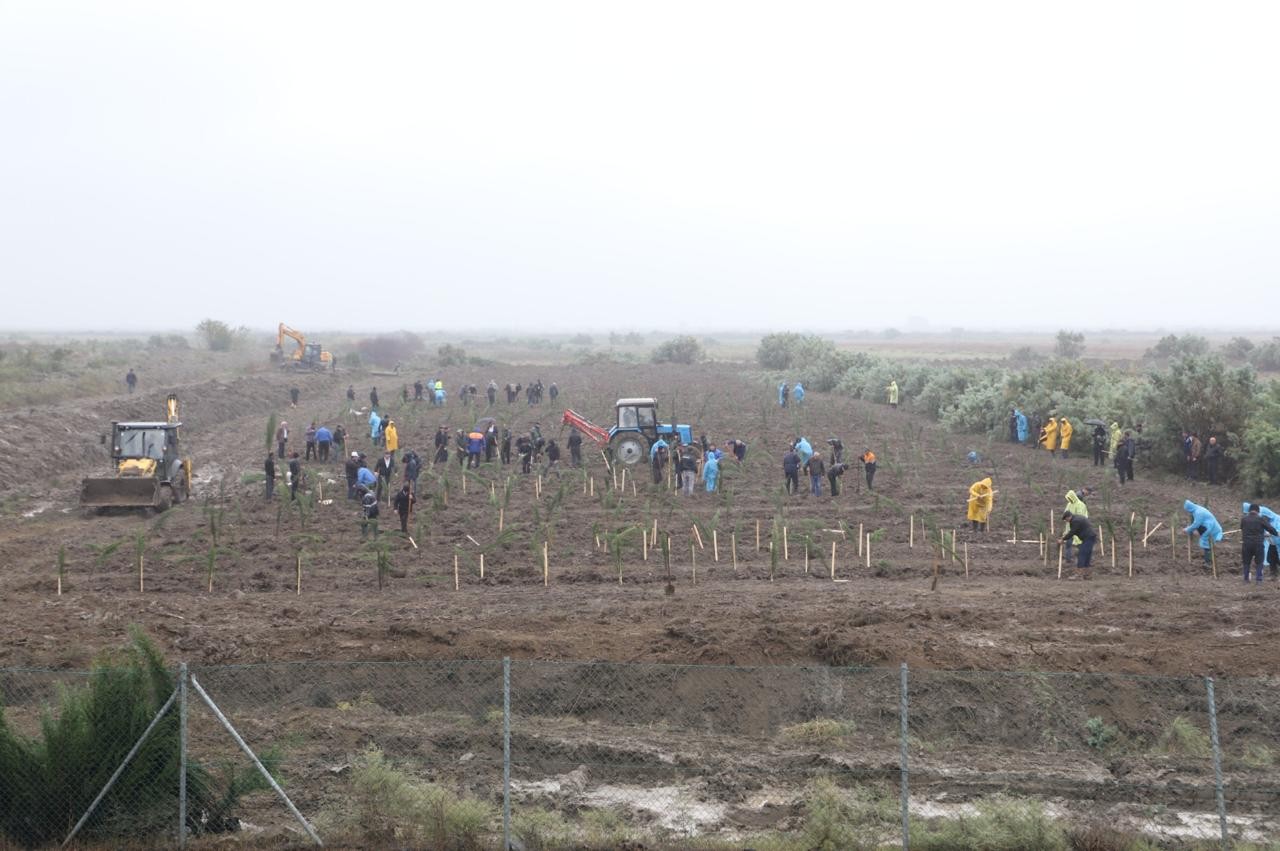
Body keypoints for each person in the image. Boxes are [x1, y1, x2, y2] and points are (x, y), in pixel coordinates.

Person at [1240, 503, 1279, 584]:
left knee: (1246, 562)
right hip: (1258, 544)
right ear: (1257, 511)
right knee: (1259, 562)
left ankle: (1246, 579)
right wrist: (1276, 533)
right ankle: (1258, 580)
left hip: (1246, 543)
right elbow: (1269, 528)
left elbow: (1242, 528)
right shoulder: (1260, 519)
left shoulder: (1244, 519)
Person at [1183, 499, 1224, 567]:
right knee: (1206, 545)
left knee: (1207, 545)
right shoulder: (1197, 509)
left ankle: (1209, 563)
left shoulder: (1199, 512)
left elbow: (1196, 524)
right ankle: (1208, 561)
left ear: (1189, 509)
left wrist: (1187, 529)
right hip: (1208, 526)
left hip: (1210, 527)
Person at [1060, 510, 1097, 579]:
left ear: (1068, 517)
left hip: (1088, 538)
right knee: (1087, 555)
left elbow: (1072, 532)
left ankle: (1079, 575)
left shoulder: (1075, 521)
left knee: (1081, 554)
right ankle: (1087, 574)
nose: (1066, 521)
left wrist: (1063, 539)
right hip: (1090, 537)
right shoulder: (1077, 518)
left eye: (1066, 519)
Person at [1063, 489, 1088, 562]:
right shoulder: (1069, 504)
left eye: (1070, 498)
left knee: (1079, 543)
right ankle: (1068, 559)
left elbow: (1081, 516)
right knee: (1068, 543)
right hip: (1069, 527)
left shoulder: (1080, 505)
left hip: (1078, 528)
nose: (1069, 500)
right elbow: (1065, 513)